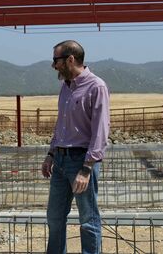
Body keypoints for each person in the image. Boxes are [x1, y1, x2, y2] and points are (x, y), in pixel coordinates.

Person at [41, 40, 111, 254]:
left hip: (81, 161)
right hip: (60, 160)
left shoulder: (96, 86)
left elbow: (100, 131)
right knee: (54, 218)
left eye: (56, 60)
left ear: (70, 59)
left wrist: (87, 168)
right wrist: (51, 153)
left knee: (88, 219)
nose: (54, 66)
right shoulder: (66, 87)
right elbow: (61, 125)